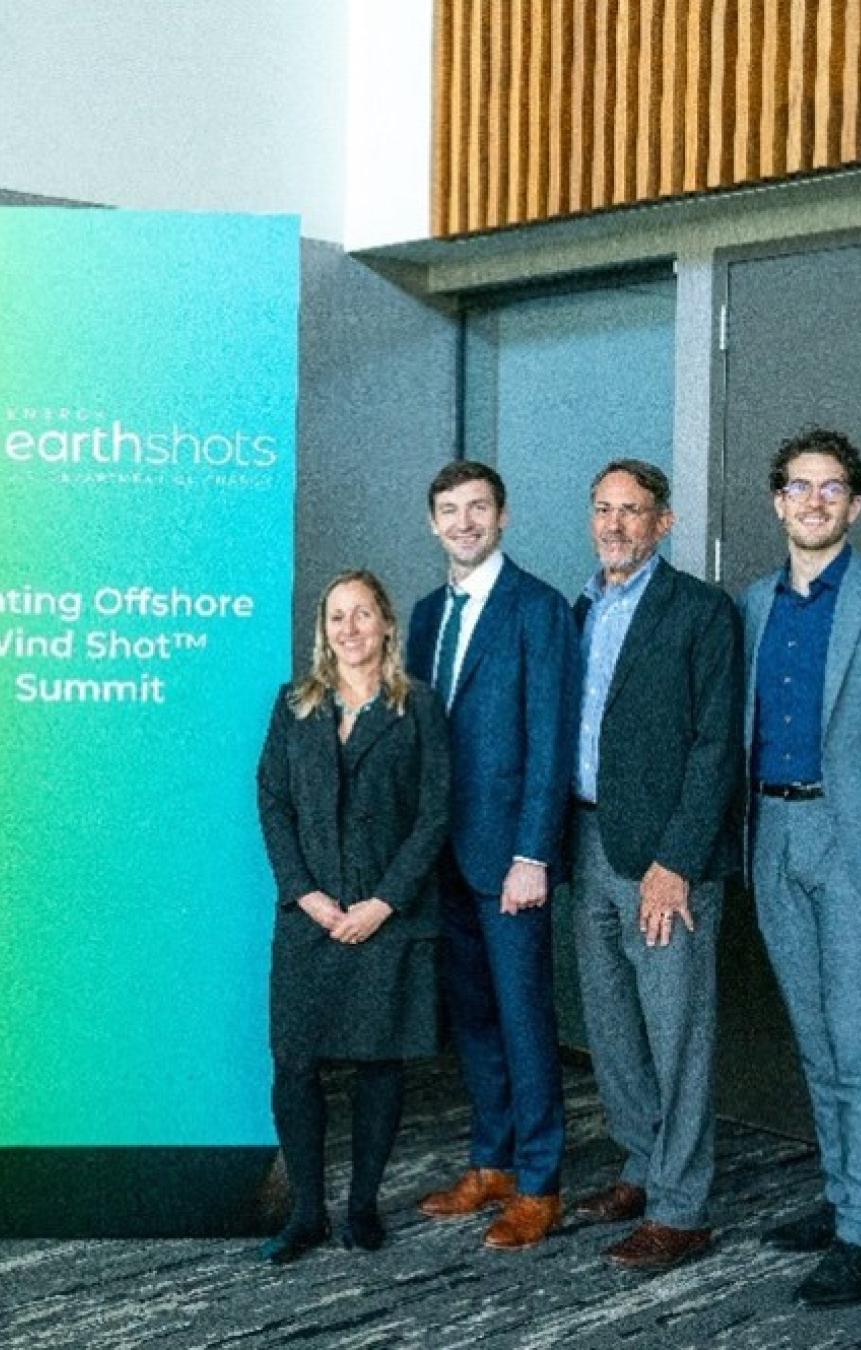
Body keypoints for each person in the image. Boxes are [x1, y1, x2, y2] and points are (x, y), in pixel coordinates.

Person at [570, 459, 742, 1272]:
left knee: (677, 1037)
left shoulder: (701, 612)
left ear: (662, 523)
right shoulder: (583, 608)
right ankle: (643, 1165)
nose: (614, 524)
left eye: (632, 511)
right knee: (613, 1029)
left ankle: (682, 1208)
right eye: (602, 509)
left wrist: (677, 861)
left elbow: (716, 748)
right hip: (590, 841)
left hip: (663, 862)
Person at [406, 461, 578, 1249]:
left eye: (479, 508)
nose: (465, 522)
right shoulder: (422, 613)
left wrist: (533, 853)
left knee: (523, 1018)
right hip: (442, 855)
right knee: (472, 1018)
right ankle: (494, 1163)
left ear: (503, 517)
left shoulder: (538, 608)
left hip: (510, 858)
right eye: (450, 510)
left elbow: (551, 743)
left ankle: (541, 1183)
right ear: (433, 522)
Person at [256, 569, 450, 1264]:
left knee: (378, 1063)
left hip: (387, 917)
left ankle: (362, 1208)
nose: (350, 629)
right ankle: (307, 1212)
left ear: (387, 624)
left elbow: (434, 815)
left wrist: (383, 902)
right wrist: (305, 893)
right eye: (337, 617)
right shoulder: (293, 705)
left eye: (363, 615)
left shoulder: (418, 706)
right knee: (294, 1063)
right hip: (309, 915)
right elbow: (273, 802)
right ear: (323, 630)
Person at [742, 427, 861, 1307]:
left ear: (853, 506)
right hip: (772, 836)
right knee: (814, 1042)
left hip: (847, 835)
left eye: (832, 489)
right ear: (778, 501)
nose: (813, 502)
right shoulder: (751, 605)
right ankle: (840, 1199)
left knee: (857, 1044)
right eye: (799, 488)